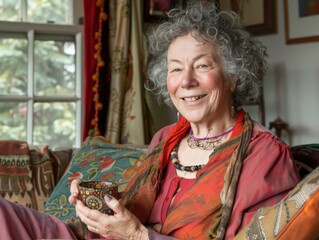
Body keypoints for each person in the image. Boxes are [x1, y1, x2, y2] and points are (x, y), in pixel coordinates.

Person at [0, 1, 300, 239]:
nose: (187, 81)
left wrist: (135, 235)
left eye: (202, 65)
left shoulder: (265, 156)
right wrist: (99, 203)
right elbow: (138, 211)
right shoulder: (166, 139)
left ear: (233, 76)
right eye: (175, 69)